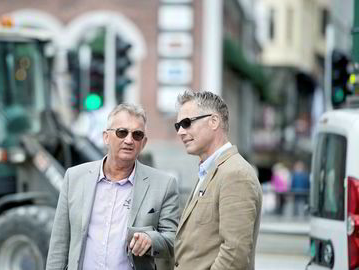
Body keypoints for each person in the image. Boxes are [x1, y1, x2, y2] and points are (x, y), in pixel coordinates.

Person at [46, 103, 180, 270]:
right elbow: (59, 243)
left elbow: (174, 239)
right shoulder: (74, 177)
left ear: (143, 143)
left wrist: (151, 240)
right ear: (106, 137)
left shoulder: (164, 184)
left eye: (137, 135)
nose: (129, 140)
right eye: (122, 132)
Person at [173, 90, 262, 270]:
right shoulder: (211, 170)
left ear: (214, 121)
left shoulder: (235, 174)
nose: (181, 132)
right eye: (178, 126)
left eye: (187, 123)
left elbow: (234, 255)